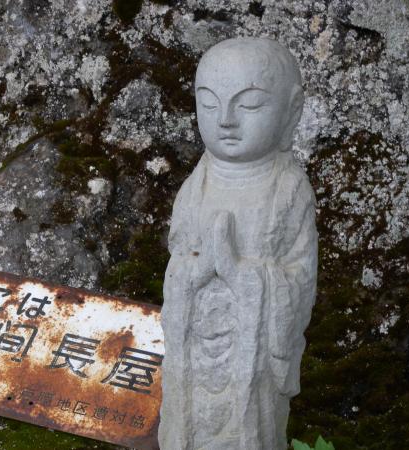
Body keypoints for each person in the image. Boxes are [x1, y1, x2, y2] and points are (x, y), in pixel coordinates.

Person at [158, 37, 318, 450]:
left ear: (291, 111)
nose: (226, 120)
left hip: (252, 354)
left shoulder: (288, 190)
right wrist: (195, 270)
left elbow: (300, 278)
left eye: (248, 105)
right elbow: (178, 262)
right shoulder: (195, 186)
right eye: (209, 104)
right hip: (194, 348)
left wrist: (243, 275)